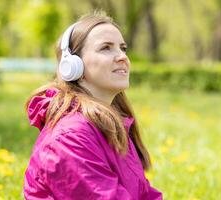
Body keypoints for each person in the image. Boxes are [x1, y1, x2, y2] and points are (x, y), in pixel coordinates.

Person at [23, 12, 162, 200]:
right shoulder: (70, 137)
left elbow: (144, 194)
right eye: (106, 48)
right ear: (73, 65)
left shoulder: (110, 123)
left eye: (123, 48)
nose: (122, 57)